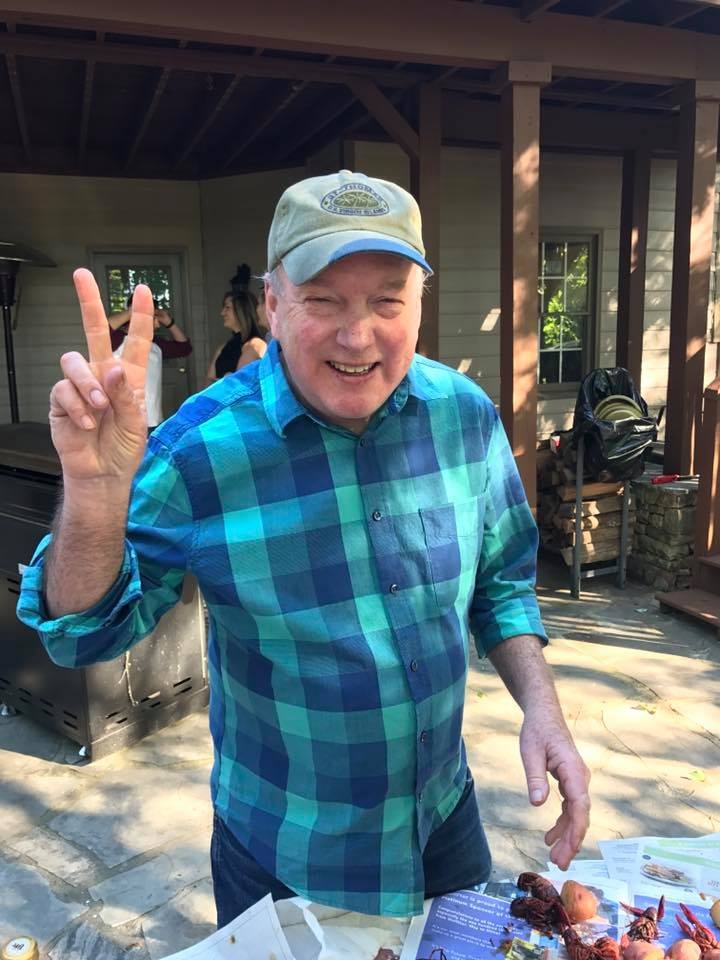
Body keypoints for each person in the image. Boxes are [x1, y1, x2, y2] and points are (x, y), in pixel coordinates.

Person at [17, 170, 590, 926]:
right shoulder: (199, 450)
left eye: (388, 300)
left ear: (419, 303)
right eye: (323, 300)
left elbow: (502, 584)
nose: (358, 336)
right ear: (274, 303)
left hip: (443, 822)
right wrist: (93, 494)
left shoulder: (465, 417)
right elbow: (84, 634)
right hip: (287, 852)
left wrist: (543, 710)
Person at [109, 295, 193, 429]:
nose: (158, 325)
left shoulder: (155, 345)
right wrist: (133, 312)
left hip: (154, 421)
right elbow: (101, 330)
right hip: (124, 423)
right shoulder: (117, 340)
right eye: (153, 318)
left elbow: (184, 348)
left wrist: (169, 322)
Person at [205, 290, 266, 385]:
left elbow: (239, 386)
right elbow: (208, 381)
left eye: (227, 307)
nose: (222, 313)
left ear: (242, 310)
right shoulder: (223, 347)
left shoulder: (255, 344)